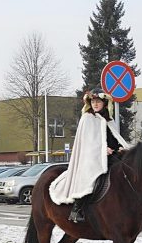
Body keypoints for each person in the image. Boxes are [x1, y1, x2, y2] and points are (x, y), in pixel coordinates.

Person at [49, 89, 129, 223]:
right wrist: (103, 149)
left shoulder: (109, 120)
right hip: (93, 157)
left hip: (112, 156)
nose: (95, 104)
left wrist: (121, 148)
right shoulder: (87, 118)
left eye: (98, 102)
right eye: (93, 102)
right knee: (91, 177)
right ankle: (77, 209)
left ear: (104, 103)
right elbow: (87, 142)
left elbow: (115, 138)